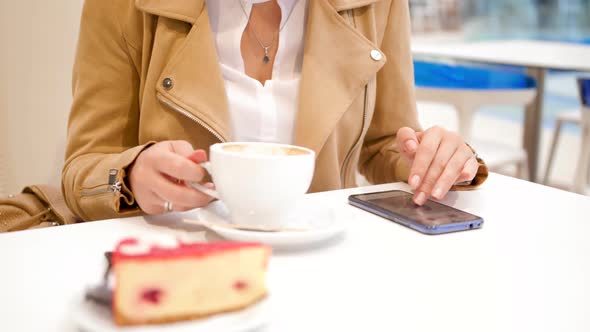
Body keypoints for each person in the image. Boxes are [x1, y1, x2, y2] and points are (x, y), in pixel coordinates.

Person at [62, 0, 487, 221]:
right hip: (179, 270)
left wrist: (437, 162)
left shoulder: (376, 6)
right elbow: (83, 169)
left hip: (323, 268)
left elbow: (384, 146)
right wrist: (133, 174)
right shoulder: (122, 6)